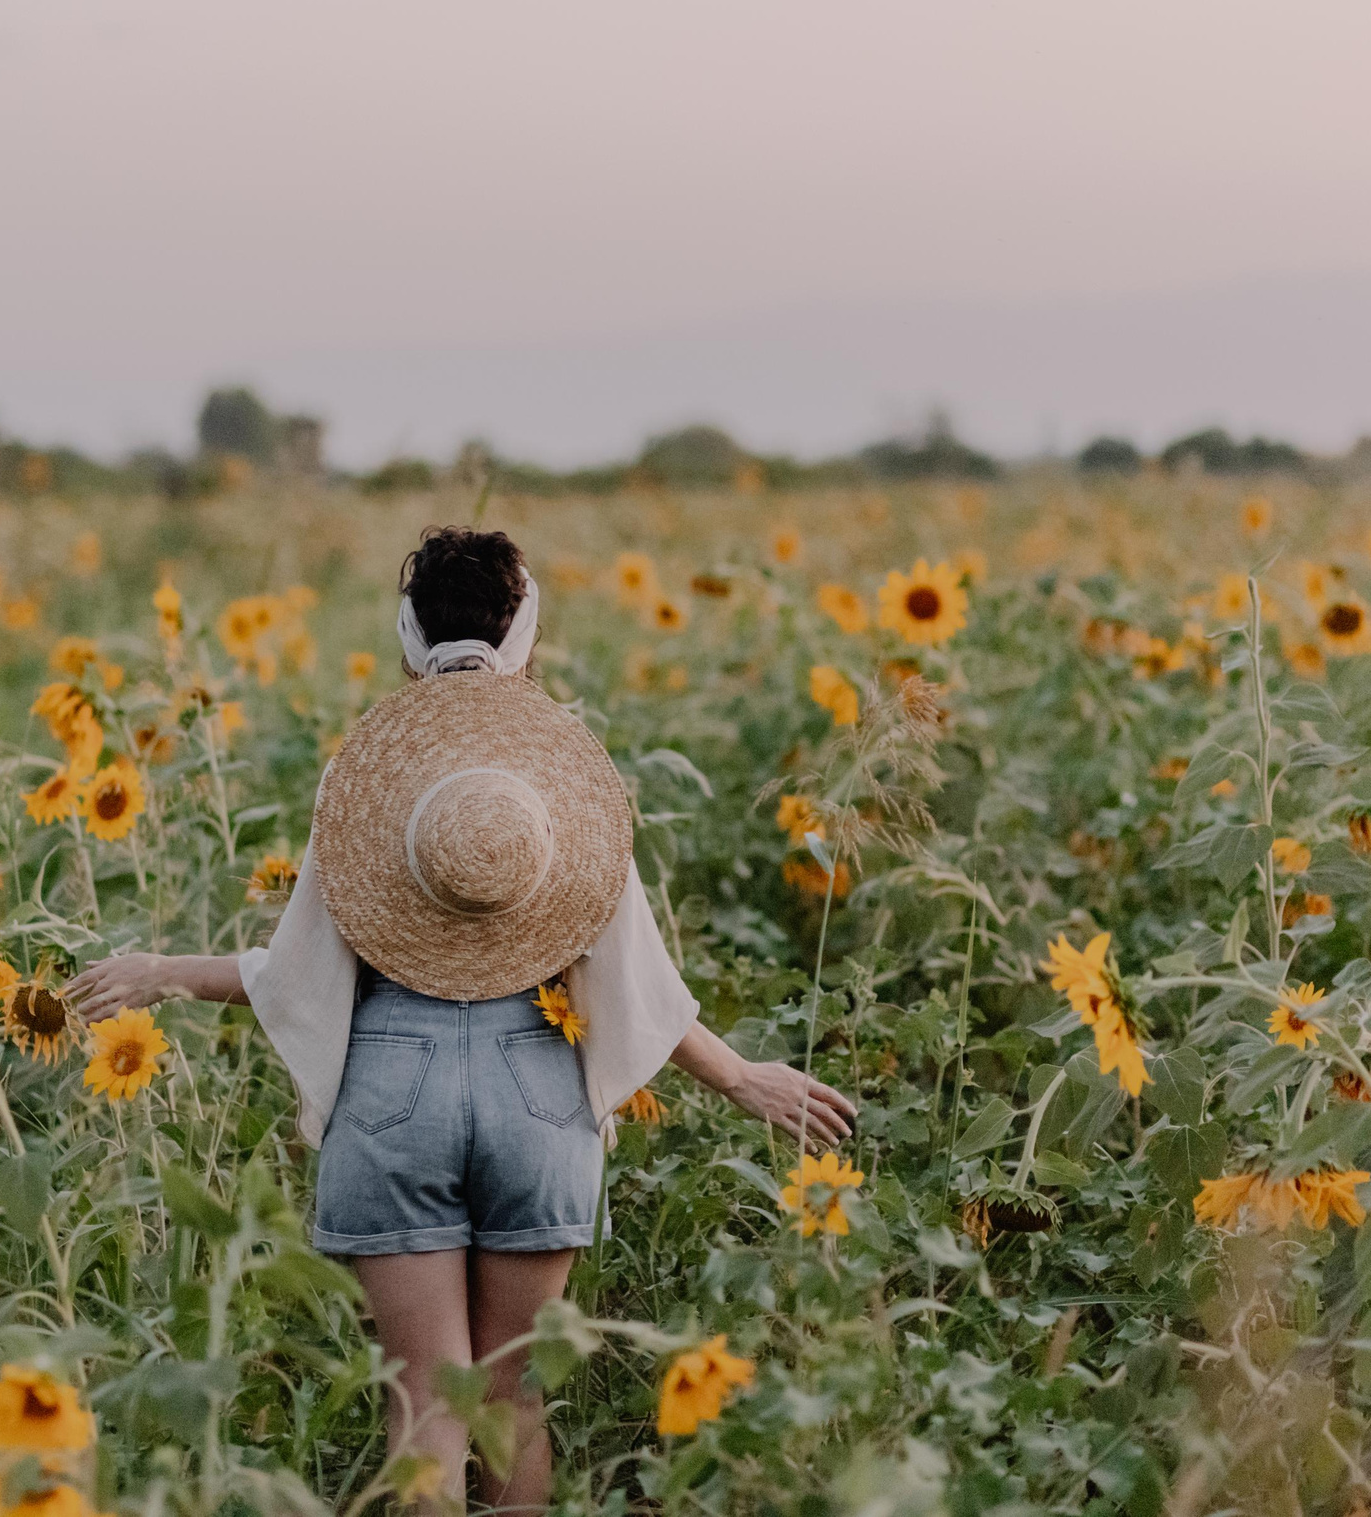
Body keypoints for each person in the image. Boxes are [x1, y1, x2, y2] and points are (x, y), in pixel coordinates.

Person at [67, 526, 856, 1513]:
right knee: (510, 1398)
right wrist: (742, 1077)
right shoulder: (565, 787)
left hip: (392, 1090)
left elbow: (300, 975)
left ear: (405, 640)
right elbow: (628, 972)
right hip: (538, 1093)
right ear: (529, 638)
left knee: (426, 1408)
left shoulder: (368, 784)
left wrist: (158, 969)